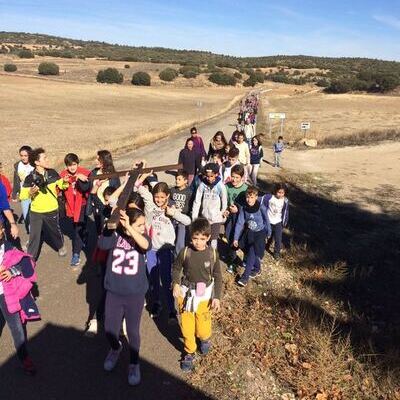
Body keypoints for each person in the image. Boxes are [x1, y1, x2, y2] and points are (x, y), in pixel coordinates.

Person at [97, 208, 150, 386]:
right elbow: (103, 245)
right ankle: (115, 348)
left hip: (135, 294)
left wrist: (133, 228)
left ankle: (134, 363)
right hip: (114, 292)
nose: (143, 227)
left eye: (144, 224)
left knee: (133, 332)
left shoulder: (142, 238)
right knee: (110, 330)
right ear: (126, 225)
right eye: (140, 224)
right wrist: (110, 225)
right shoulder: (115, 237)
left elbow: (145, 245)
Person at [172, 218, 222, 372]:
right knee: (187, 329)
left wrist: (217, 297)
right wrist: (175, 283)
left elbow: (218, 276)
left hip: (204, 297)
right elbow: (176, 268)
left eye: (202, 238)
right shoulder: (185, 252)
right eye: (195, 238)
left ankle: (204, 339)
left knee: (202, 328)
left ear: (208, 238)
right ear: (190, 237)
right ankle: (189, 351)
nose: (198, 242)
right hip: (186, 295)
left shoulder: (212, 254)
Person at [137, 177, 191, 320]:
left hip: (166, 251)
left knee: (167, 280)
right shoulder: (150, 206)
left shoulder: (172, 209)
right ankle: (156, 303)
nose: (158, 200)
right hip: (152, 250)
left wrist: (174, 214)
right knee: (153, 278)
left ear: (167, 196)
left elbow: (188, 221)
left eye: (162, 197)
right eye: (156, 196)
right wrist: (143, 174)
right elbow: (138, 187)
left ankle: (171, 309)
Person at [0, 221, 38, 375]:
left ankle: (24, 357)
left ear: (2, 231)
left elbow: (27, 262)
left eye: (0, 229)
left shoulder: (8, 247)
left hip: (5, 296)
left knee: (16, 328)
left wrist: (12, 270)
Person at [19, 148, 68, 260]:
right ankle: (31, 259)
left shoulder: (52, 173)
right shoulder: (30, 177)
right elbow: (22, 195)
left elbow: (62, 186)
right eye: (44, 158)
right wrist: (30, 192)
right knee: (34, 236)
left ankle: (60, 246)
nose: (47, 159)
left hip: (51, 209)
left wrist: (64, 181)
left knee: (55, 231)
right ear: (37, 162)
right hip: (36, 211)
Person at [233, 186, 271, 287]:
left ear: (256, 197)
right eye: (247, 197)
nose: (249, 200)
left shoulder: (261, 207)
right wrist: (236, 238)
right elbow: (240, 223)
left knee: (251, 254)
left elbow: (267, 220)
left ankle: (244, 277)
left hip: (259, 233)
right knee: (246, 250)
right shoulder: (244, 209)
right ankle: (257, 268)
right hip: (249, 233)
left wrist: (269, 232)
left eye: (252, 197)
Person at [59, 153, 91, 267]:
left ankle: (76, 254)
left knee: (77, 229)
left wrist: (82, 180)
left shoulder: (85, 172)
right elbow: (58, 187)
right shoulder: (63, 175)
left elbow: (88, 188)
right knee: (76, 225)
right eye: (69, 165)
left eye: (74, 164)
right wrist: (63, 181)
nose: (72, 167)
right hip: (70, 205)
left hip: (82, 204)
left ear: (77, 163)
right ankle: (85, 234)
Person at [192, 163, 227, 250]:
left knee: (214, 240)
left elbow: (224, 200)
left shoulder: (220, 186)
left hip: (216, 218)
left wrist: (221, 212)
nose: (209, 178)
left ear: (216, 174)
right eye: (207, 176)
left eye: (211, 176)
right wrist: (194, 217)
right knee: (204, 239)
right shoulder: (202, 185)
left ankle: (213, 257)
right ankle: (204, 256)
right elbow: (197, 201)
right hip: (205, 218)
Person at [88, 150, 120, 236]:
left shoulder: (113, 176)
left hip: (107, 208)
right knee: (99, 230)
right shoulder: (94, 172)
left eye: (98, 159)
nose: (95, 161)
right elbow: (88, 188)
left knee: (108, 231)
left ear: (105, 160)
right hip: (97, 208)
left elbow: (117, 192)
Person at [223, 164, 248, 274]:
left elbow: (248, 205)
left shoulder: (245, 189)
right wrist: (225, 209)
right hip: (229, 217)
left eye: (237, 177)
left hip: (241, 218)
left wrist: (238, 209)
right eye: (233, 176)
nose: (234, 179)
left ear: (242, 177)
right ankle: (232, 262)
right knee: (229, 237)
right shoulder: (227, 186)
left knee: (240, 239)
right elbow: (224, 200)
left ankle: (246, 260)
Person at [263, 183, 289, 260]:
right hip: (268, 221)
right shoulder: (269, 197)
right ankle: (264, 247)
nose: (280, 195)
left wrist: (284, 222)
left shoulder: (285, 201)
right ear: (275, 191)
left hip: (278, 222)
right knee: (267, 236)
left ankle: (276, 253)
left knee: (278, 239)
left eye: (282, 193)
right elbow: (262, 203)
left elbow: (286, 212)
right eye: (279, 192)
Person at [170, 170, 193, 256]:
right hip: (172, 218)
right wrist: (172, 204)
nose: (177, 181)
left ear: (186, 181)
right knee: (171, 238)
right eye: (176, 179)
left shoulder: (189, 192)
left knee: (180, 241)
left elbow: (191, 205)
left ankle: (178, 257)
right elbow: (169, 199)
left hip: (183, 219)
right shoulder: (172, 190)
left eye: (179, 179)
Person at [12, 146, 34, 234]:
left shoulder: (34, 165)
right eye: (22, 155)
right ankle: (31, 233)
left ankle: (36, 233)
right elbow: (16, 180)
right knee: (26, 217)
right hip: (24, 194)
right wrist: (14, 194)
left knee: (36, 215)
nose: (23, 157)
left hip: (35, 194)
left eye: (26, 155)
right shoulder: (18, 165)